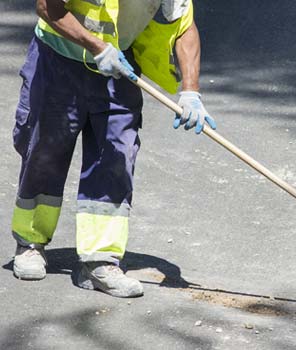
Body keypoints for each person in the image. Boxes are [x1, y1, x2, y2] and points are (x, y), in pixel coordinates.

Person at [10, 0, 216, 298]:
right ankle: (30, 243)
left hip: (117, 65)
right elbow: (46, 6)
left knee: (116, 157)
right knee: (45, 153)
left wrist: (191, 91)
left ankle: (100, 262)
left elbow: (183, 25)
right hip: (57, 60)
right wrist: (97, 47)